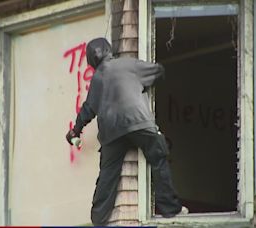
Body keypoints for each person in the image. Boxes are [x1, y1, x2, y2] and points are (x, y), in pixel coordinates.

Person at [66, 37, 188, 226]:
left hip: (111, 132)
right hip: (138, 121)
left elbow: (87, 109)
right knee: (158, 156)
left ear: (92, 60)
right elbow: (158, 70)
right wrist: (142, 86)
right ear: (109, 51)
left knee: (107, 174)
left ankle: (98, 220)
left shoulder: (97, 78)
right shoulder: (129, 65)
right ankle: (170, 209)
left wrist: (75, 132)